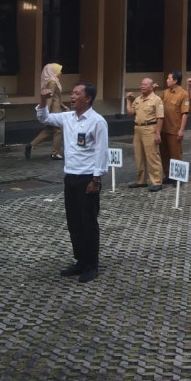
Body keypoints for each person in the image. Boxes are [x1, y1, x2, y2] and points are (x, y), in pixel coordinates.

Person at [36, 82, 108, 284]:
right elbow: (44, 117)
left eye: (77, 93)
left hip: (88, 179)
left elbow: (101, 152)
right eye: (72, 92)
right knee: (74, 222)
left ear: (88, 99)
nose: (72, 96)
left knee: (88, 223)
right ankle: (80, 260)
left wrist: (96, 179)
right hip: (71, 178)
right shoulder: (67, 118)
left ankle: (92, 264)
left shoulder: (97, 121)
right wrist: (43, 100)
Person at [125, 77, 163, 190]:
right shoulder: (138, 99)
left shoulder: (157, 100)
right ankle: (141, 181)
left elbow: (160, 118)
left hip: (150, 128)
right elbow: (130, 112)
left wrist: (158, 134)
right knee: (139, 156)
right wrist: (127, 100)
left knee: (152, 155)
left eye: (145, 84)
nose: (142, 86)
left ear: (151, 87)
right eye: (141, 84)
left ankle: (157, 182)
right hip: (138, 129)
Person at [27, 63, 65, 160]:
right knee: (58, 130)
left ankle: (31, 145)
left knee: (49, 129)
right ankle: (55, 153)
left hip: (55, 108)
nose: (60, 72)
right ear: (53, 72)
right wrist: (45, 110)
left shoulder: (53, 81)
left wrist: (63, 106)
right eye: (58, 70)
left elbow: (57, 97)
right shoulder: (52, 82)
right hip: (54, 110)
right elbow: (49, 98)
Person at [160, 71, 190, 187]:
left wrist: (181, 130)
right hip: (164, 129)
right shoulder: (165, 92)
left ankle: (178, 178)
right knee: (164, 154)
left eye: (169, 78)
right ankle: (168, 175)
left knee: (175, 154)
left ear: (175, 80)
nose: (167, 80)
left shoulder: (183, 94)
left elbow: (185, 113)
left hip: (174, 129)